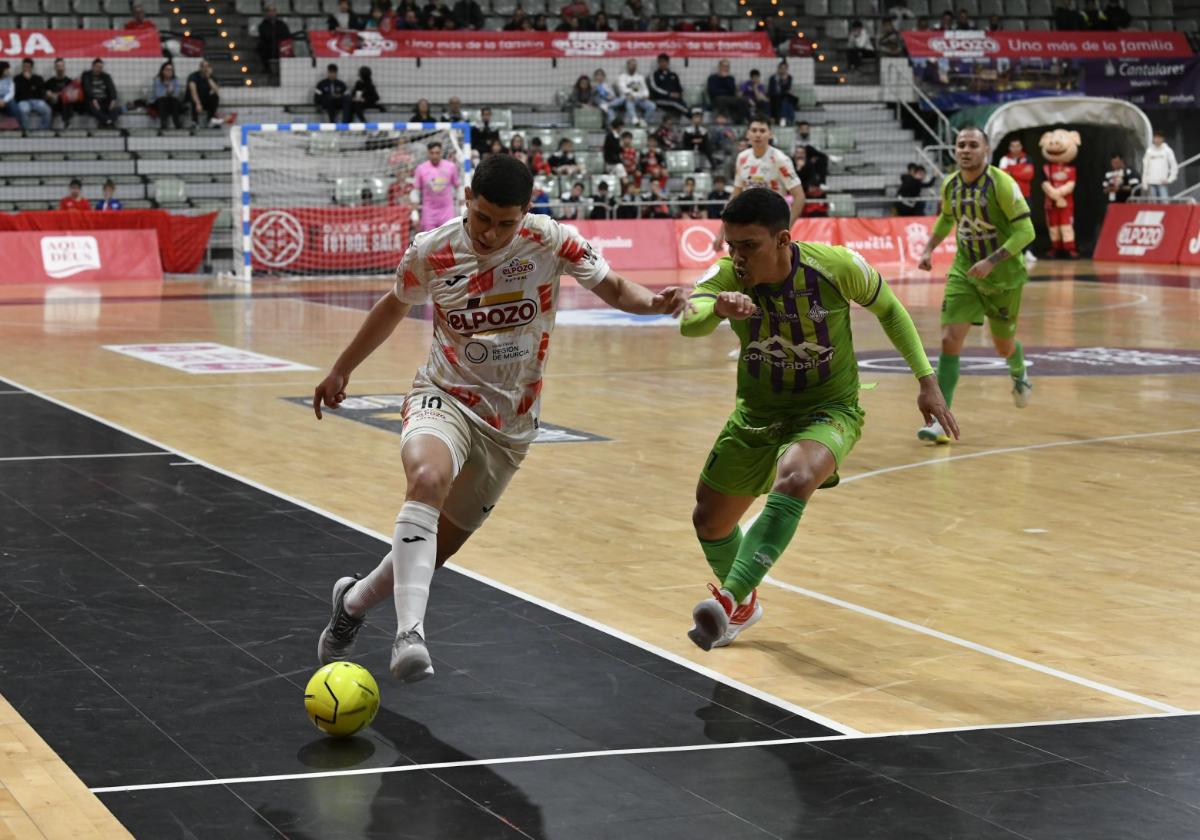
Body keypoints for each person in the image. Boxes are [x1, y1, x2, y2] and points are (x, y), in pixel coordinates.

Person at [312, 154, 688, 680]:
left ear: (526, 212)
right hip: (442, 394)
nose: (491, 233)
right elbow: (393, 306)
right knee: (426, 478)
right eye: (482, 217)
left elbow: (618, 289)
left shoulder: (550, 241)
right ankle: (409, 634)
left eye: (504, 223)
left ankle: (351, 604)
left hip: (511, 425)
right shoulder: (433, 250)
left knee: (430, 552)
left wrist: (657, 303)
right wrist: (341, 369)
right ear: (468, 197)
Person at [680, 188, 956, 650]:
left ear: (784, 239)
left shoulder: (837, 266)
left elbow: (890, 310)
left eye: (749, 246)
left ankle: (728, 602)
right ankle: (744, 603)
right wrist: (718, 308)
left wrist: (926, 380)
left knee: (797, 476)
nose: (738, 256)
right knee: (710, 523)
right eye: (731, 245)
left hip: (829, 408)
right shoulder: (729, 275)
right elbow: (691, 321)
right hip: (758, 413)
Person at [916, 126, 1035, 444]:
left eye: (972, 145)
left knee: (1002, 345)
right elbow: (946, 218)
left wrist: (991, 262)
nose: (965, 150)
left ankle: (1018, 369)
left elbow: (1027, 232)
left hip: (1003, 277)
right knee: (948, 340)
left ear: (986, 150)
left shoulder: (1002, 184)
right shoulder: (951, 185)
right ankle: (942, 422)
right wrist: (929, 248)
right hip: (965, 273)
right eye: (960, 145)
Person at [729, 117, 805, 225]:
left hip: (772, 222)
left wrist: (786, 227)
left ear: (770, 134)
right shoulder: (742, 158)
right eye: (754, 130)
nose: (758, 134)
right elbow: (735, 195)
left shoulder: (780, 159)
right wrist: (722, 231)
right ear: (747, 134)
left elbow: (799, 197)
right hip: (747, 221)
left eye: (762, 130)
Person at [999, 138, 1036, 266]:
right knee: (1010, 225)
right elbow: (1003, 177)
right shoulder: (1004, 159)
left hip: (1025, 197)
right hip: (1010, 198)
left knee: (1027, 225)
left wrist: (1012, 171)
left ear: (1021, 147)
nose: (1015, 148)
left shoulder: (1028, 158)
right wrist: (1020, 171)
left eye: (1018, 146)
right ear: (1009, 148)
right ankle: (1012, 251)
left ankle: (1029, 252)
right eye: (1013, 146)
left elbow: (1029, 175)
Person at [413, 140, 460, 231]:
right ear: (428, 153)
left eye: (437, 153)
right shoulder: (421, 168)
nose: (435, 155)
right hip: (429, 212)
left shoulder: (451, 167)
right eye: (432, 153)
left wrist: (462, 208)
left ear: (441, 153)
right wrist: (415, 214)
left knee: (448, 242)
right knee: (429, 242)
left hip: (447, 211)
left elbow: (458, 187)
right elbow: (416, 191)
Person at [14, 59, 51, 132]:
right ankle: (26, 131)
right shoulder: (17, 78)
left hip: (37, 100)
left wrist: (30, 80)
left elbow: (41, 90)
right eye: (24, 66)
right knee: (24, 110)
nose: (26, 69)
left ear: (31, 68)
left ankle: (43, 130)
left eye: (28, 67)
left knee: (47, 110)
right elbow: (17, 91)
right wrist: (27, 81)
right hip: (23, 100)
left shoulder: (38, 78)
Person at [616, 58, 656, 126]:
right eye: (631, 65)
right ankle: (634, 119)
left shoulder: (640, 77)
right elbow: (622, 88)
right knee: (629, 102)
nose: (633, 66)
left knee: (652, 106)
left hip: (640, 98)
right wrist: (629, 94)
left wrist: (646, 95)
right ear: (627, 66)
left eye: (634, 65)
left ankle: (644, 121)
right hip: (629, 98)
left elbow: (645, 88)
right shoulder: (622, 77)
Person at [82, 58, 119, 128]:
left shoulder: (106, 76)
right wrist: (93, 99)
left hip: (104, 100)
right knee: (93, 106)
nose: (98, 69)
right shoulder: (86, 75)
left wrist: (113, 99)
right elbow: (87, 89)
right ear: (92, 66)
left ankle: (105, 122)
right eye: (97, 67)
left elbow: (112, 89)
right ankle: (109, 121)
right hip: (91, 101)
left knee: (115, 109)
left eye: (100, 67)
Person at [648, 53, 689, 117]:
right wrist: (669, 94)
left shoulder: (673, 75)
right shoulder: (654, 74)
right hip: (659, 99)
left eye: (664, 61)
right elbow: (654, 88)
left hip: (674, 99)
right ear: (658, 63)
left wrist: (679, 94)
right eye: (660, 62)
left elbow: (679, 88)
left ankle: (694, 117)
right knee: (675, 104)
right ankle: (692, 116)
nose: (662, 64)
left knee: (683, 104)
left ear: (668, 62)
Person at [1142, 130, 1178, 200]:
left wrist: (1170, 179)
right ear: (1153, 139)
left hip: (1162, 183)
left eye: (1159, 138)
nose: (1157, 140)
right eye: (1155, 138)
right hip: (1151, 182)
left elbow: (1174, 166)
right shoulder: (1149, 151)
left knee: (1165, 204)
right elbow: (1145, 167)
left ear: (1162, 139)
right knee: (1153, 206)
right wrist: (1144, 182)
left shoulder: (1167, 150)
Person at [256, 4, 292, 73]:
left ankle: (285, 69)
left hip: (281, 46)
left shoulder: (282, 24)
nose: (272, 13)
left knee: (287, 47)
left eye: (273, 10)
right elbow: (266, 36)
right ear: (266, 13)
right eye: (269, 11)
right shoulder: (262, 25)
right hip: (268, 47)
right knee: (261, 46)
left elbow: (287, 36)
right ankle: (267, 68)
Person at [187, 59, 220, 127]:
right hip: (195, 99)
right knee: (194, 98)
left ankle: (210, 120)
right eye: (203, 66)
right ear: (200, 67)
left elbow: (216, 90)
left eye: (207, 66)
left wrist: (208, 78)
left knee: (215, 97)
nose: (205, 68)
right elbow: (193, 91)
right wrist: (198, 103)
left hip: (205, 100)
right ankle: (194, 121)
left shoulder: (212, 77)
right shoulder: (193, 76)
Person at [43, 58, 75, 129]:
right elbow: (45, 95)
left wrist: (58, 95)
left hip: (65, 105)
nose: (60, 68)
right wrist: (48, 95)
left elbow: (72, 95)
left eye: (61, 66)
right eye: (58, 66)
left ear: (64, 67)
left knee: (65, 99)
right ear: (55, 68)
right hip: (53, 104)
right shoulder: (49, 82)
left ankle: (66, 123)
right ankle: (47, 128)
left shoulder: (69, 82)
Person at [152, 61, 183, 130]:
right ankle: (163, 122)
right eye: (167, 69)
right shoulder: (157, 80)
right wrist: (168, 90)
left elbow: (177, 94)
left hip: (172, 102)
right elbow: (158, 94)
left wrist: (170, 92)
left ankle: (176, 122)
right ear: (162, 71)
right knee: (162, 100)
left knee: (174, 100)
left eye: (171, 70)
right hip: (159, 103)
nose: (169, 71)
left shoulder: (175, 80)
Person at [767, 61, 797, 126]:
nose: (783, 70)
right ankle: (785, 120)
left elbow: (788, 88)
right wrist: (782, 81)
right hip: (774, 96)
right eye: (781, 68)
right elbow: (771, 90)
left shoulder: (789, 78)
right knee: (785, 101)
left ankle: (788, 120)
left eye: (785, 68)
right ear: (778, 69)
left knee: (788, 100)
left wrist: (784, 82)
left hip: (784, 96)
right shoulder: (773, 78)